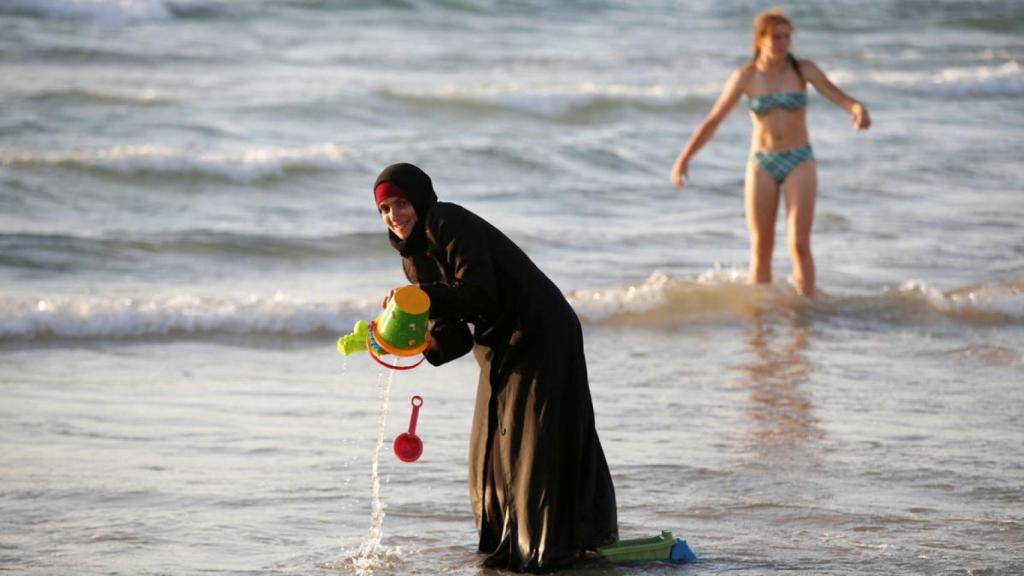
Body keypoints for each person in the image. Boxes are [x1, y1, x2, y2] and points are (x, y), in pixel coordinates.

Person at [372, 162, 618, 572]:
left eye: (400, 203)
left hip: (540, 328)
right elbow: (457, 335)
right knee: (490, 448)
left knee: (534, 443)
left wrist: (420, 298)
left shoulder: (447, 222)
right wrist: (418, 343)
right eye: (384, 210)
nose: (395, 216)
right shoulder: (412, 261)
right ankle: (508, 546)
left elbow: (479, 294)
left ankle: (557, 546)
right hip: (497, 342)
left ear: (418, 199)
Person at [669, 8, 871, 297]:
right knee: (761, 247)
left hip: (799, 160)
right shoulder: (746, 77)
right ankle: (760, 321)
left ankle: (805, 312)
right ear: (760, 40)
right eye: (776, 37)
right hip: (761, 163)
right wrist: (684, 159)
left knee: (798, 244)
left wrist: (857, 109)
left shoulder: (803, 70)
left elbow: (839, 96)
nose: (783, 43)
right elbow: (713, 121)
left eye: (787, 37)